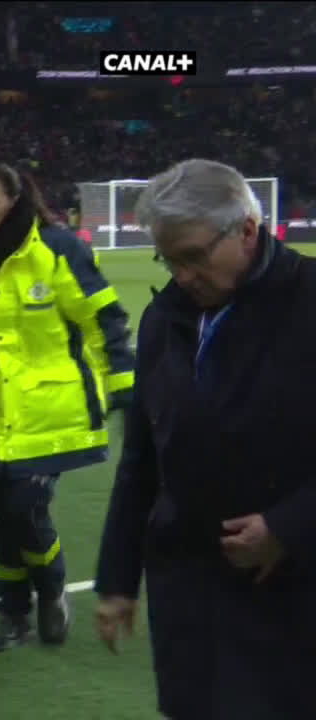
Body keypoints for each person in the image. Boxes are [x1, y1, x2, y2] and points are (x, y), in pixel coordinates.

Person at [94, 158, 316, 720]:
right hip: (189, 594)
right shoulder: (162, 319)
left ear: (247, 230)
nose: (183, 274)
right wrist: (118, 579)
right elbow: (142, 457)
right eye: (168, 259)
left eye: (194, 256)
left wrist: (289, 526)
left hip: (292, 590)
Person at [0, 164, 135, 654]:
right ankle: (13, 615)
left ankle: (50, 589)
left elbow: (102, 320)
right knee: (6, 518)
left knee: (23, 509)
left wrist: (124, 386)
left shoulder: (58, 249)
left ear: (15, 200)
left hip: (55, 412)